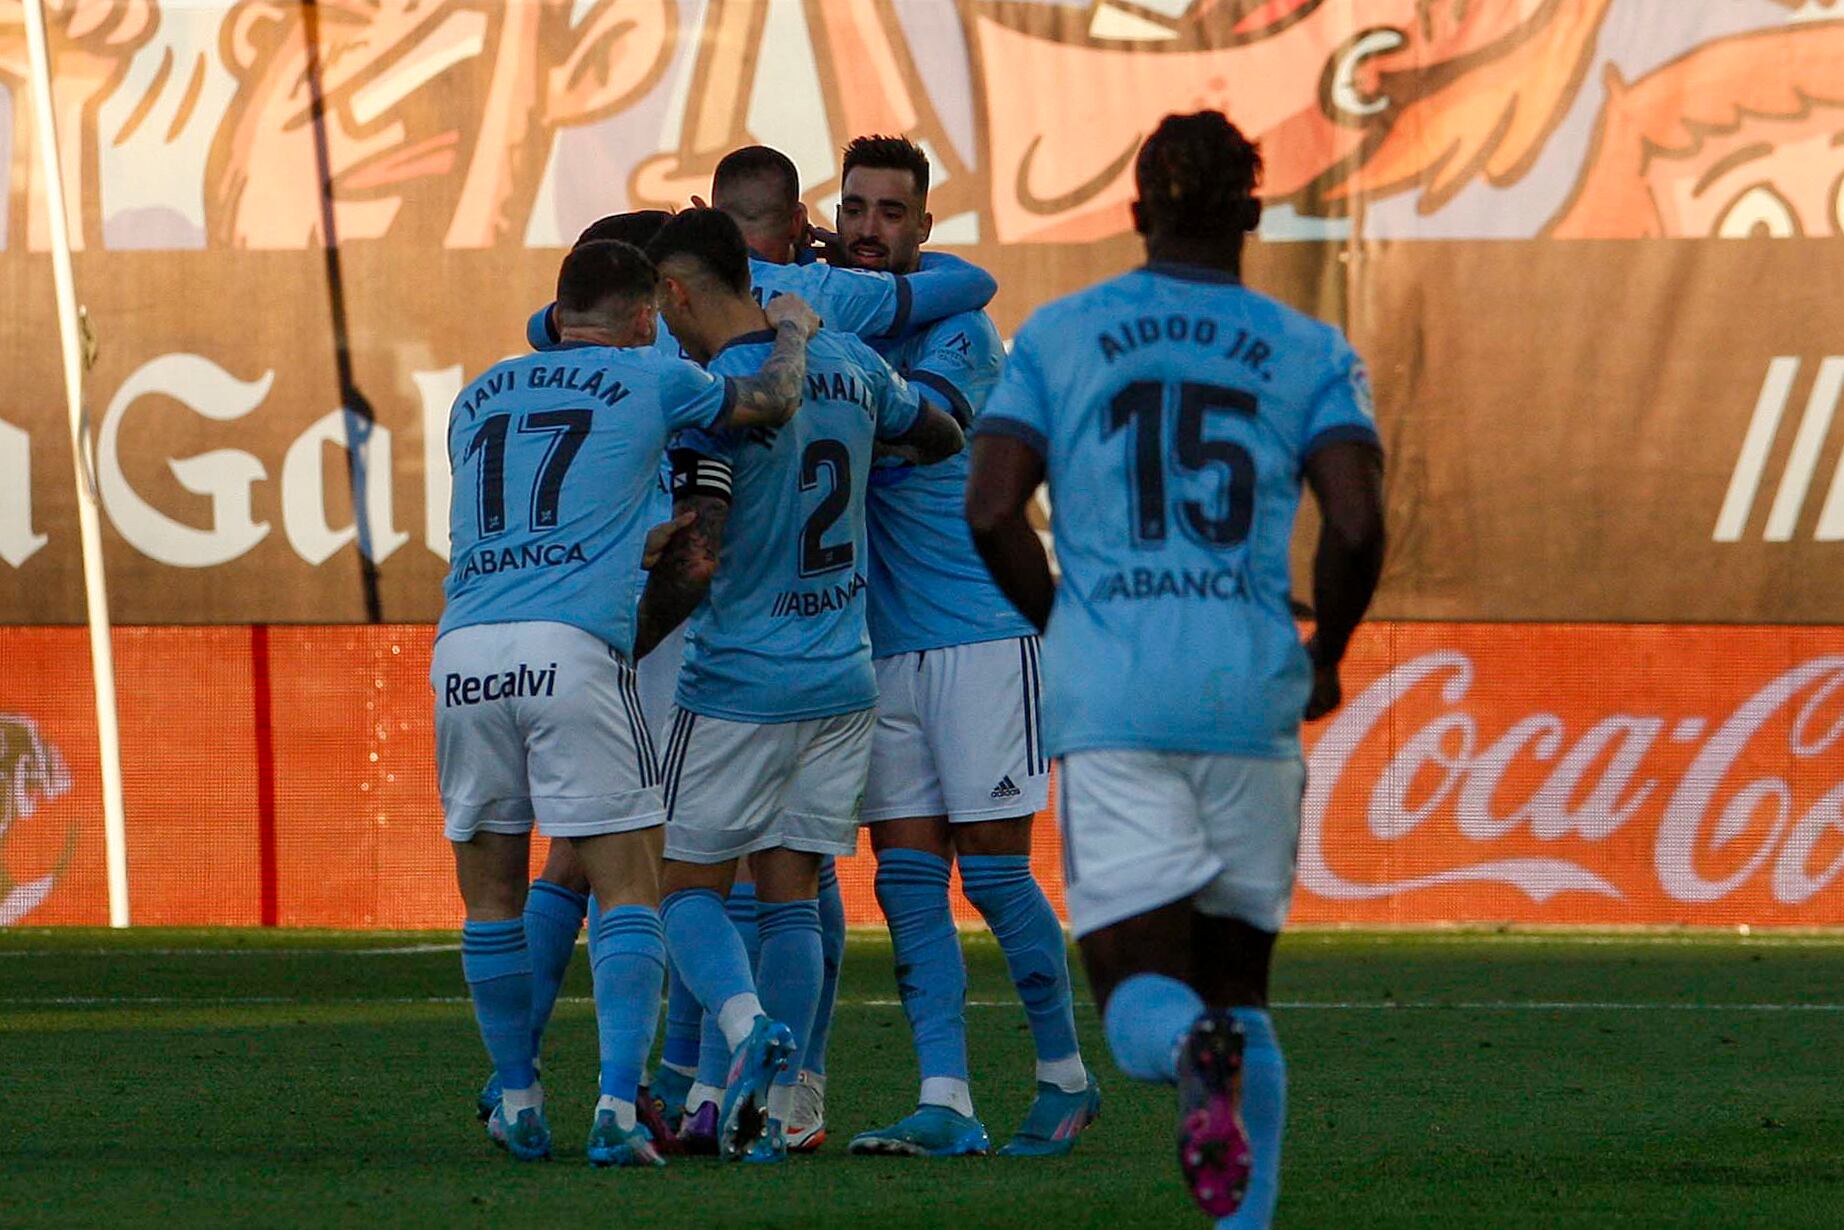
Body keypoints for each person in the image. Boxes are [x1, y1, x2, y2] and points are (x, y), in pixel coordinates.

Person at [964, 112, 1386, 1227]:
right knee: (1240, 990)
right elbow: (1354, 520)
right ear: (1251, 213)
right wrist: (1325, 653)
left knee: (1138, 993)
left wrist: (1066, 624)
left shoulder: (1058, 336)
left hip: (1112, 696)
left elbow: (991, 505)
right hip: (1249, 690)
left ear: (1138, 212)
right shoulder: (1309, 348)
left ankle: (1182, 1050)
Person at [433, 237, 820, 1166]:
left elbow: (547, 511)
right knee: (631, 878)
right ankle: (614, 1106)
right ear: (647, 315)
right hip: (574, 651)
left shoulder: (476, 394)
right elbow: (771, 400)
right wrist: (794, 333)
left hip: (462, 652)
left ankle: (518, 1096)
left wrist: (625, 546)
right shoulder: (651, 379)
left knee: (492, 894)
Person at [636, 209, 965, 1163]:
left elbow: (702, 552)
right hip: (840, 674)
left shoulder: (717, 393)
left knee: (684, 885)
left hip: (740, 676)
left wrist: (624, 646)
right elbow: (939, 432)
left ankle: (743, 1033)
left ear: (677, 292)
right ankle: (778, 1113)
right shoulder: (855, 364)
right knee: (791, 894)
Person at [823, 135, 1096, 1160]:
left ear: (923, 229)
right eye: (853, 208)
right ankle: (945, 1097)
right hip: (879, 643)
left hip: (980, 632)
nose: (867, 229)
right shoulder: (838, 314)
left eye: (890, 212)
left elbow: (923, 430)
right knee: (901, 879)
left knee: (989, 874)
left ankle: (1064, 1077)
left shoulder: (961, 325)